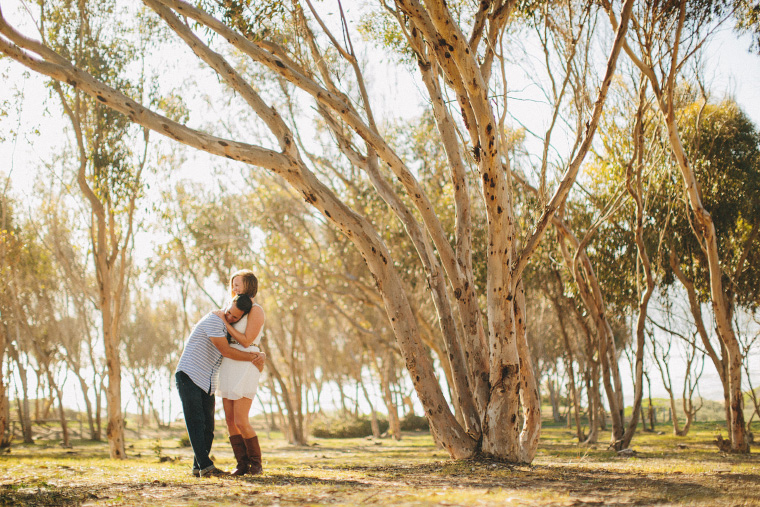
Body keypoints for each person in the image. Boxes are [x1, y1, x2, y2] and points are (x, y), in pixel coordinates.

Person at [175, 294, 265, 478]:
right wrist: (254, 357)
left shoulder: (227, 327)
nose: (231, 318)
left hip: (206, 381)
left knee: (208, 427)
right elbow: (226, 351)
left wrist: (259, 354)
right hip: (189, 375)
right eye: (230, 313)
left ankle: (198, 467)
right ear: (228, 305)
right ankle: (207, 467)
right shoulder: (215, 321)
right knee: (196, 423)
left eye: (236, 317)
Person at [213, 269, 266, 476]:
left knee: (241, 420)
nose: (234, 288)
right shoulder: (232, 307)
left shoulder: (256, 310)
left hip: (247, 362)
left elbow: (245, 340)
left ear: (249, 286)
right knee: (229, 420)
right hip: (229, 360)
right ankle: (241, 464)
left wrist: (224, 322)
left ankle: (256, 464)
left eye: (238, 284)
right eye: (232, 284)